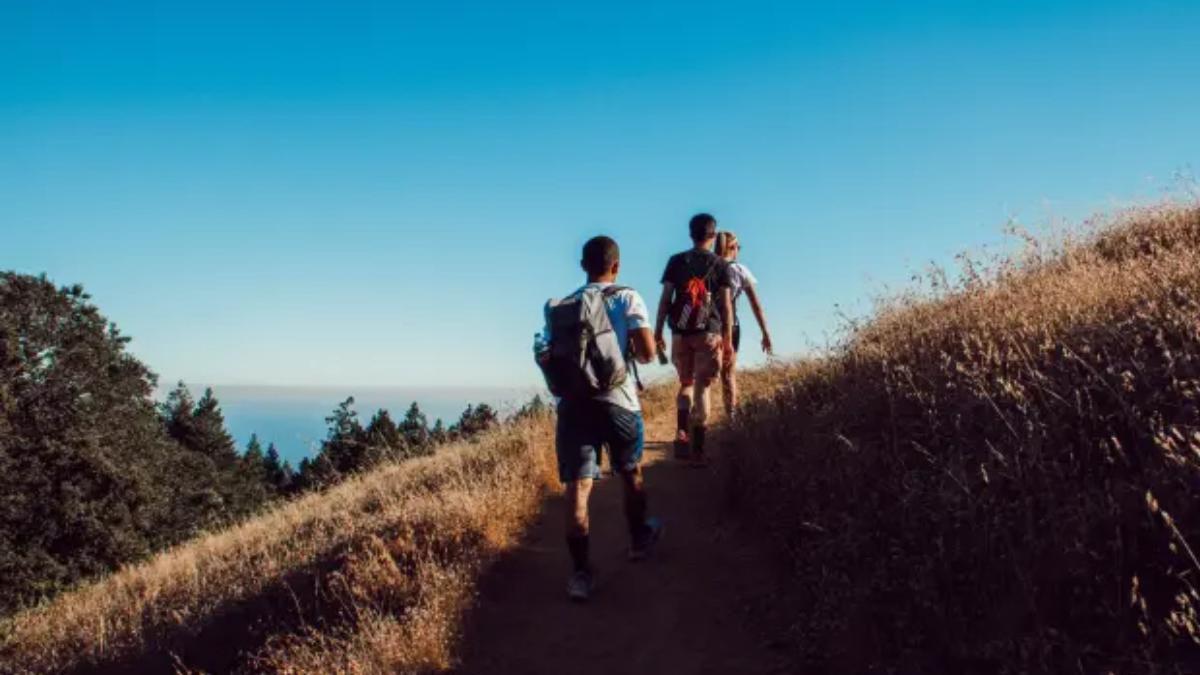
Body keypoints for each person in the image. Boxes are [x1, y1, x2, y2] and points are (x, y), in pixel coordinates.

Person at [536, 235, 663, 602]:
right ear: (616, 265)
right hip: (619, 403)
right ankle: (638, 539)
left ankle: (580, 574)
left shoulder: (564, 307)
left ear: (582, 265)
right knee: (630, 470)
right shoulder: (628, 297)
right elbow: (647, 354)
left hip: (575, 407)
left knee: (577, 491)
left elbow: (552, 358)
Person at [654, 213, 734, 464]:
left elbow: (666, 299)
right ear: (713, 236)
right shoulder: (721, 265)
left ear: (690, 234)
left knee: (686, 384)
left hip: (680, 332)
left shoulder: (676, 261)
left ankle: (681, 431)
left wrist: (658, 332)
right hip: (708, 332)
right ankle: (698, 450)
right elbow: (726, 306)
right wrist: (728, 338)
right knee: (703, 386)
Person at [715, 230, 773, 418]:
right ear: (731, 247)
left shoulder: (708, 267)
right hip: (731, 326)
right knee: (728, 374)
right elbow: (756, 305)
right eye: (738, 247)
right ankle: (731, 417)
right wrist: (765, 332)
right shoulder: (739, 270)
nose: (738, 250)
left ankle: (696, 422)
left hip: (706, 327)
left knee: (701, 377)